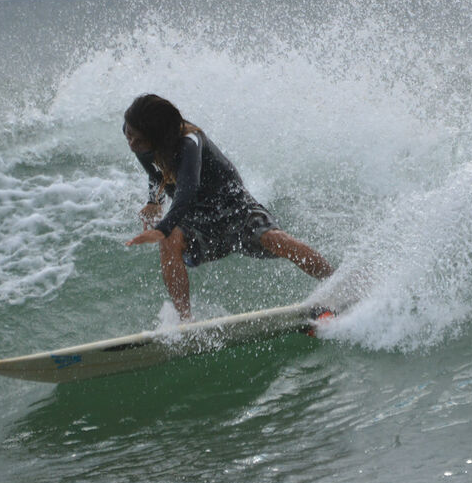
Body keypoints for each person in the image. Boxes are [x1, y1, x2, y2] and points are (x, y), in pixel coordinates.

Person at [122, 94, 333, 321]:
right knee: (169, 240)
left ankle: (336, 283)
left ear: (158, 136)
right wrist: (154, 201)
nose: (131, 143)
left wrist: (163, 225)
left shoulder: (190, 141)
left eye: (138, 139)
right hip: (197, 222)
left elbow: (187, 188)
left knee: (276, 240)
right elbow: (156, 169)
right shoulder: (138, 138)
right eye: (129, 135)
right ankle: (185, 321)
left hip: (236, 210)